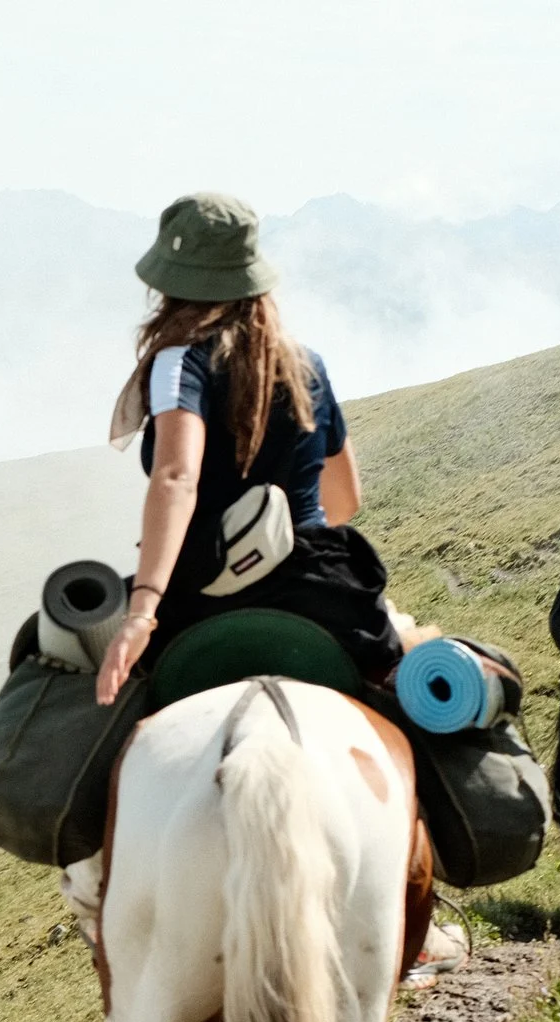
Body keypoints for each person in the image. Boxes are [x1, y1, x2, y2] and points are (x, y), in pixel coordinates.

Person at [93, 192, 389, 705]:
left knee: (55, 652)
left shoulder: (179, 362)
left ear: (170, 285)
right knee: (419, 702)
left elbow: (176, 478)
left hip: (202, 590)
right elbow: (344, 503)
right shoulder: (307, 364)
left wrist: (143, 609)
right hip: (321, 586)